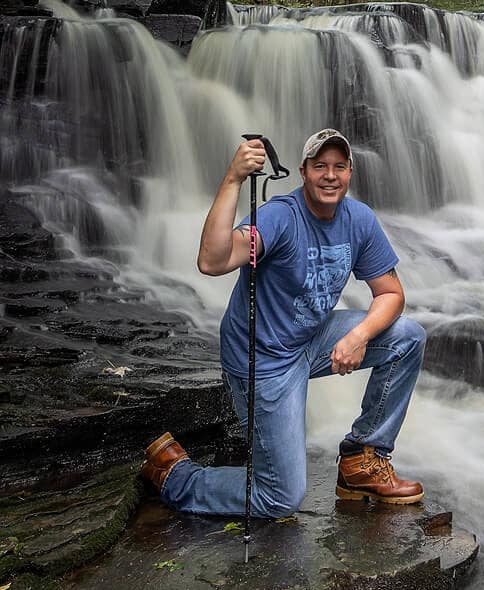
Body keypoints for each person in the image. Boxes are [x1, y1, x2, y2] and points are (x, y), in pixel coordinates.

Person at [141, 129, 427, 515]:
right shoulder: (279, 217)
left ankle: (362, 460)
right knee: (279, 498)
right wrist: (233, 179)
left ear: (350, 173)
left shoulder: (359, 220)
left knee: (407, 336)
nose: (330, 175)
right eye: (320, 166)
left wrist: (358, 336)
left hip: (311, 337)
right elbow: (212, 261)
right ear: (303, 172)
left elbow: (392, 294)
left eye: (339, 167)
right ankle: (177, 475)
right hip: (263, 359)